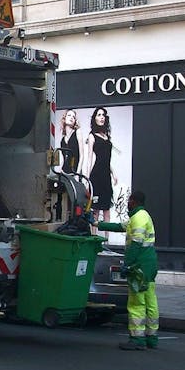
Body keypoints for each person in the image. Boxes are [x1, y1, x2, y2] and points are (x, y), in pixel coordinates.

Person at [98, 190, 159, 350]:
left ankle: (137, 339)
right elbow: (120, 226)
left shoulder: (138, 218)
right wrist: (98, 224)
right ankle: (151, 337)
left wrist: (127, 264)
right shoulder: (141, 216)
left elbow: (136, 244)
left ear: (133, 201)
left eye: (129, 200)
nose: (127, 202)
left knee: (136, 302)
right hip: (149, 265)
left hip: (139, 265)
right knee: (150, 301)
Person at [84, 107, 117, 231]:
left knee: (107, 208)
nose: (102, 117)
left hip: (106, 176)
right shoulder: (92, 136)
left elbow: (107, 159)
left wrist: (113, 173)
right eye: (99, 115)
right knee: (96, 210)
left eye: (103, 115)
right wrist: (87, 179)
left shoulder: (107, 136)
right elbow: (89, 159)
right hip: (96, 175)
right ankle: (94, 238)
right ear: (95, 118)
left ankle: (107, 239)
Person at [58, 109, 83, 175]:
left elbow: (82, 156)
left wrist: (77, 174)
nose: (71, 117)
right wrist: (60, 170)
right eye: (69, 115)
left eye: (73, 117)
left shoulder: (77, 132)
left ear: (75, 121)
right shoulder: (62, 140)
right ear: (64, 118)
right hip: (64, 173)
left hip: (75, 172)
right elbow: (64, 158)